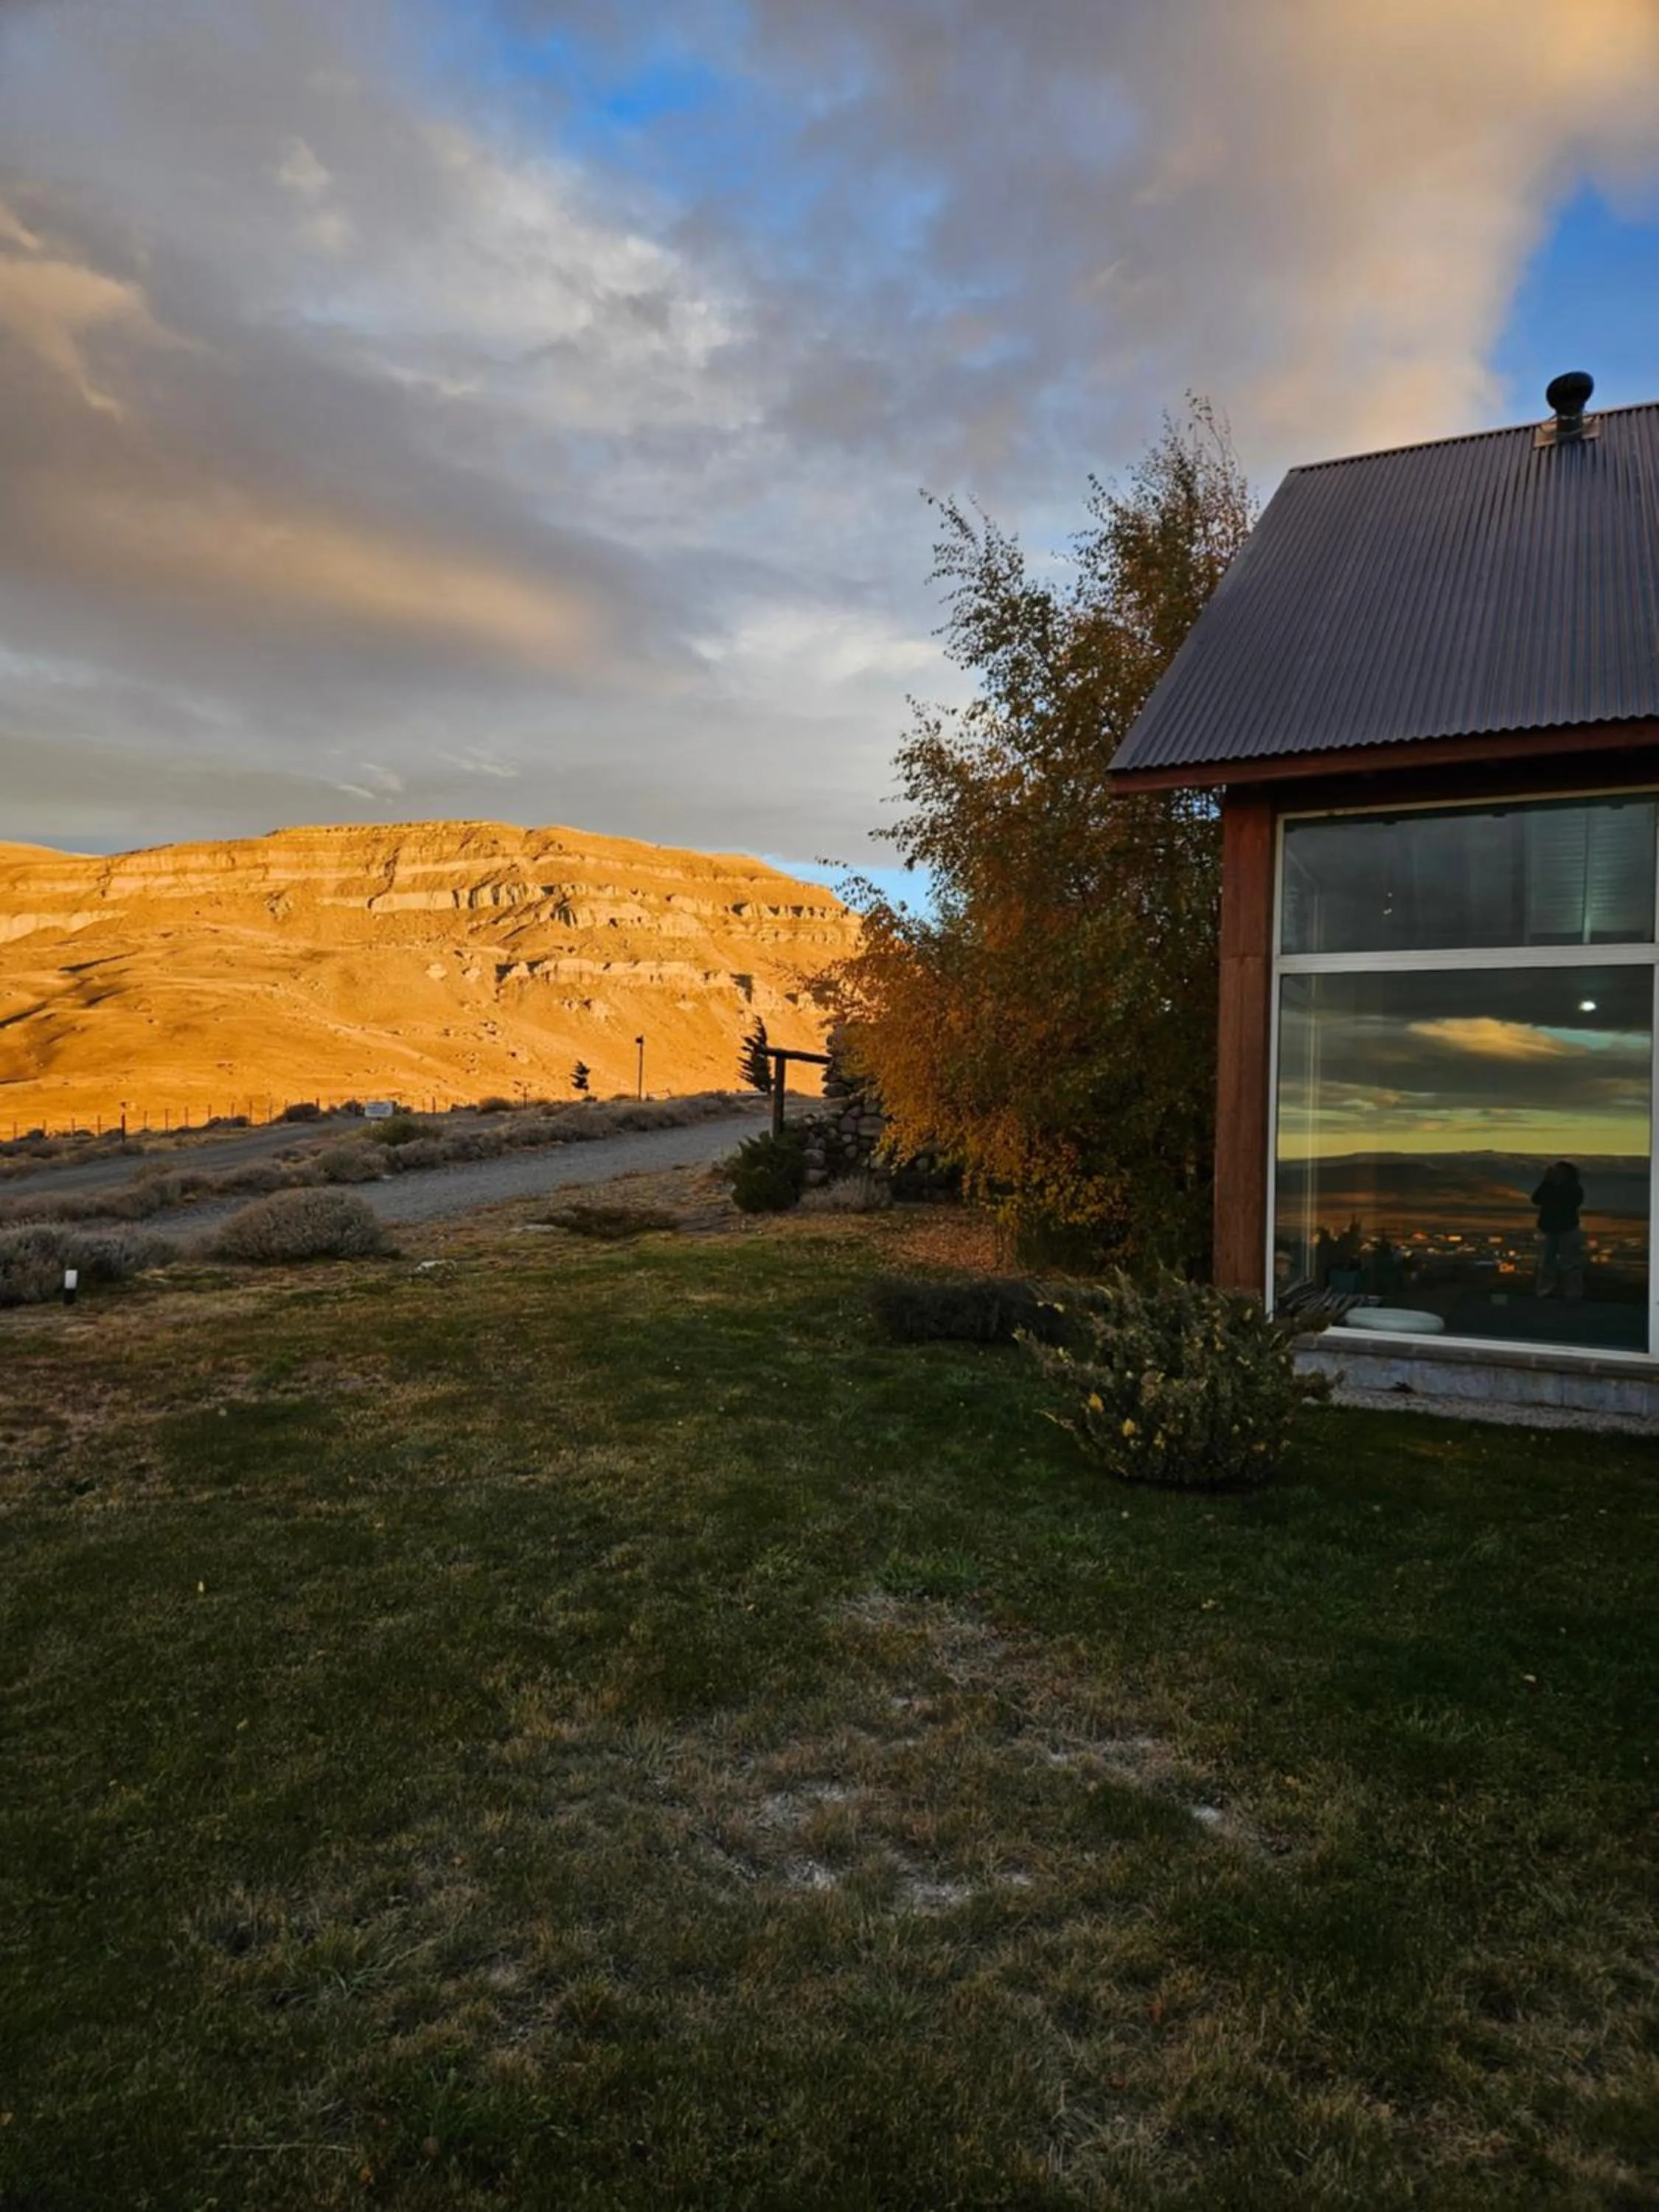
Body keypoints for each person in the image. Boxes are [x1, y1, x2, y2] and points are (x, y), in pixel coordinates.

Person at [1531, 1161, 1585, 1300]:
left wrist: (1550, 1184)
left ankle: (1572, 1293)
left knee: (1570, 1263)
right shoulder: (1549, 1187)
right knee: (1547, 1262)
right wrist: (1547, 1183)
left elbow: (1571, 1201)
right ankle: (1546, 1291)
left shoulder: (1573, 1189)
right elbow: (1536, 1199)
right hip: (1550, 1229)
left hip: (1567, 1229)